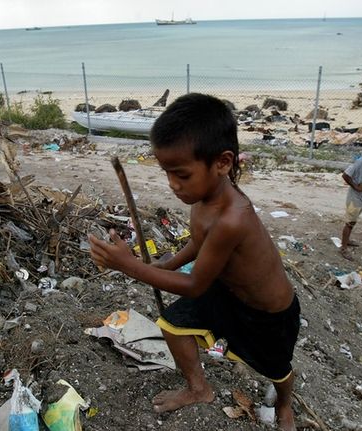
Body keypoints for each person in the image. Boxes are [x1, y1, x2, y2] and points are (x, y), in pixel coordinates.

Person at [88, 93, 301, 431]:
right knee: (172, 324)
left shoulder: (233, 217)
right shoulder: (202, 199)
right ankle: (198, 388)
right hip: (226, 291)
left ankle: (286, 406)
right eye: (167, 174)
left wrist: (132, 266)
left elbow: (195, 285)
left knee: (276, 367)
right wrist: (163, 267)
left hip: (268, 312)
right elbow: (198, 246)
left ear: (223, 163)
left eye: (182, 175)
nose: (174, 185)